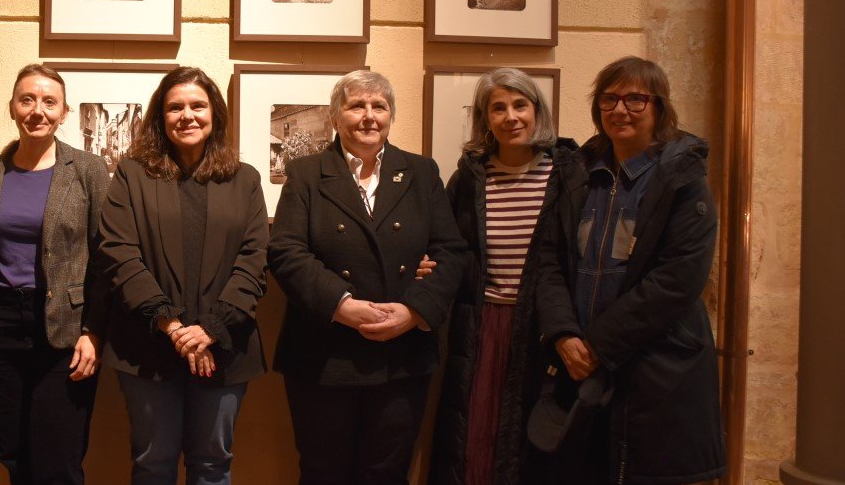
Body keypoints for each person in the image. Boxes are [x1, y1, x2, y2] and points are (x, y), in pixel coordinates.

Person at [267, 69, 470, 485]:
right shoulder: (306, 173)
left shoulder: (421, 172)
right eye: (356, 105)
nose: (369, 115)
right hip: (324, 353)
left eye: (379, 106)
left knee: (386, 473)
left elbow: (452, 253)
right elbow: (285, 251)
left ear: (391, 115)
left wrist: (414, 311)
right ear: (335, 116)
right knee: (324, 472)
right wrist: (343, 306)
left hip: (402, 354)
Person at [535, 56, 724, 484]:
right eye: (610, 99)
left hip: (657, 372)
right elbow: (549, 262)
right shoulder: (578, 174)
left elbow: (678, 280)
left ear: (659, 107)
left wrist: (597, 346)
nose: (620, 110)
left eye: (636, 99)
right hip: (578, 370)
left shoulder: (681, 177)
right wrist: (563, 334)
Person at [95, 67, 268, 485]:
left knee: (212, 464)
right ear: (161, 116)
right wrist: (174, 327)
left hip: (224, 346)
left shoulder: (244, 179)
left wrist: (210, 328)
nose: (187, 115)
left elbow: (254, 259)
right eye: (175, 107)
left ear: (215, 115)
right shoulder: (131, 175)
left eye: (197, 105)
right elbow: (120, 254)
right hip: (148, 345)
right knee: (153, 464)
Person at [423, 68, 578, 485]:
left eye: (520, 105)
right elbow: (449, 247)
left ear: (536, 110)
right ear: (485, 119)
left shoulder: (568, 174)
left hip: (545, 328)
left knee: (534, 438)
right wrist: (428, 263)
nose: (511, 116)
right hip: (483, 322)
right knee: (476, 435)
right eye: (498, 108)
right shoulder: (470, 178)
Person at [0, 64, 110, 485]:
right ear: (13, 108)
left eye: (49, 102)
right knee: (14, 454)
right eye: (27, 100)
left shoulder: (87, 170)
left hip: (65, 331)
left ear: (64, 111)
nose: (38, 110)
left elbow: (107, 258)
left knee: (59, 459)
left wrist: (94, 330)